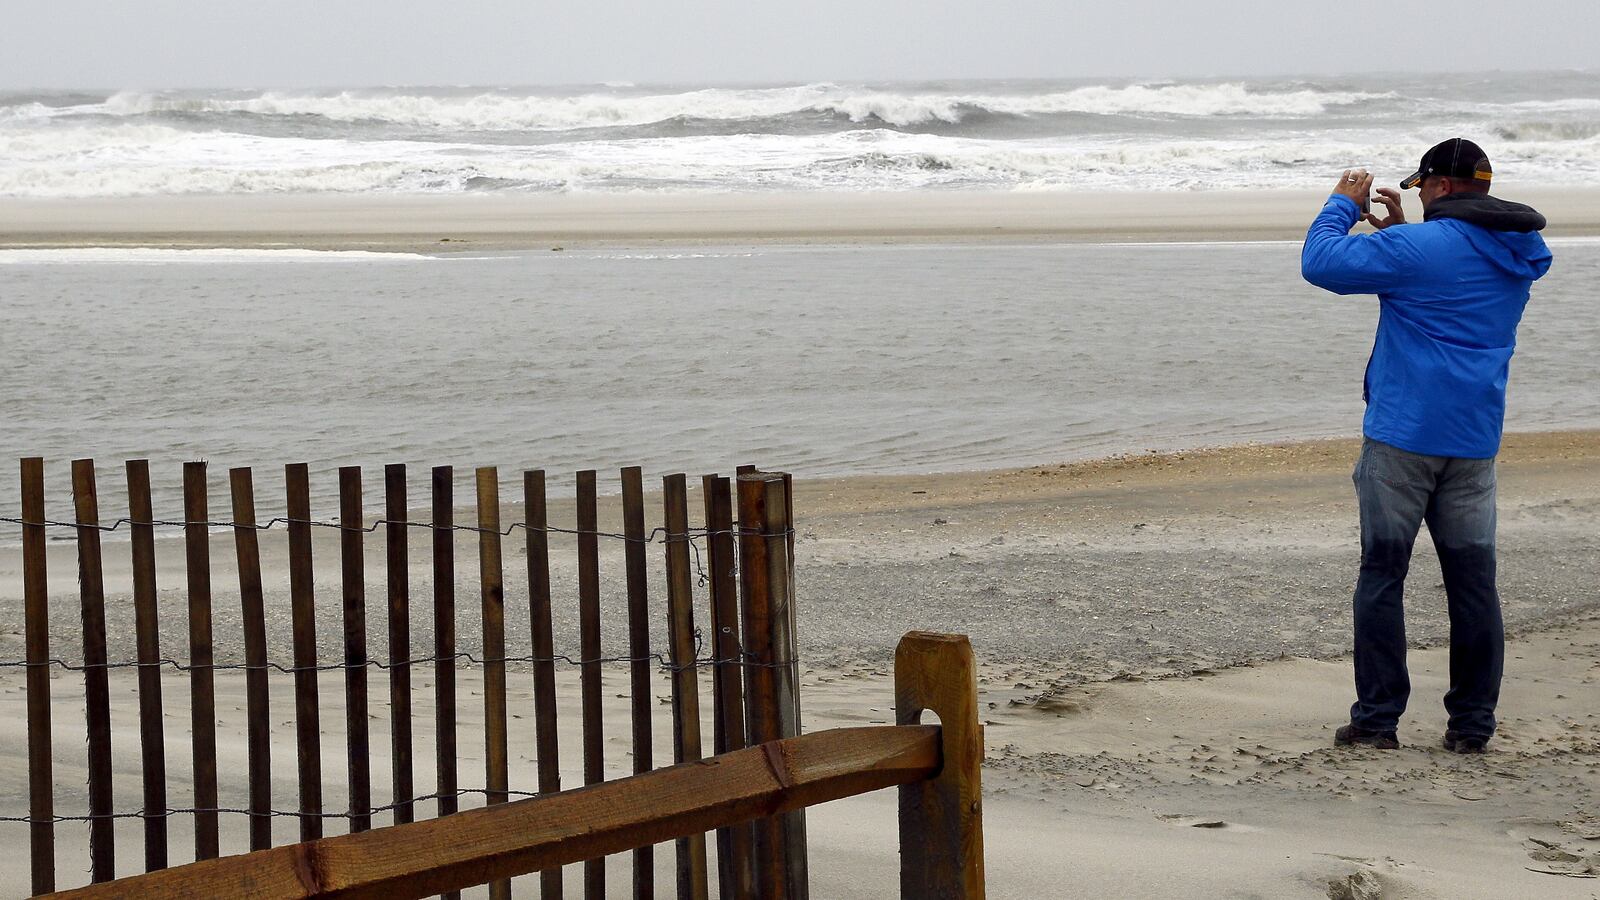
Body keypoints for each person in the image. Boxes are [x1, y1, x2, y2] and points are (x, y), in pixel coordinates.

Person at [1300, 138, 1553, 753]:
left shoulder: (1417, 250)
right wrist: (1404, 236)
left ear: (1437, 186)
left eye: (1420, 187)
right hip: (1473, 440)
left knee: (1383, 575)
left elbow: (1321, 263)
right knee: (1473, 585)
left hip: (1404, 437)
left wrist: (1342, 202)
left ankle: (1376, 721)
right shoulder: (1518, 249)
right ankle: (1471, 728)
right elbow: (1447, 270)